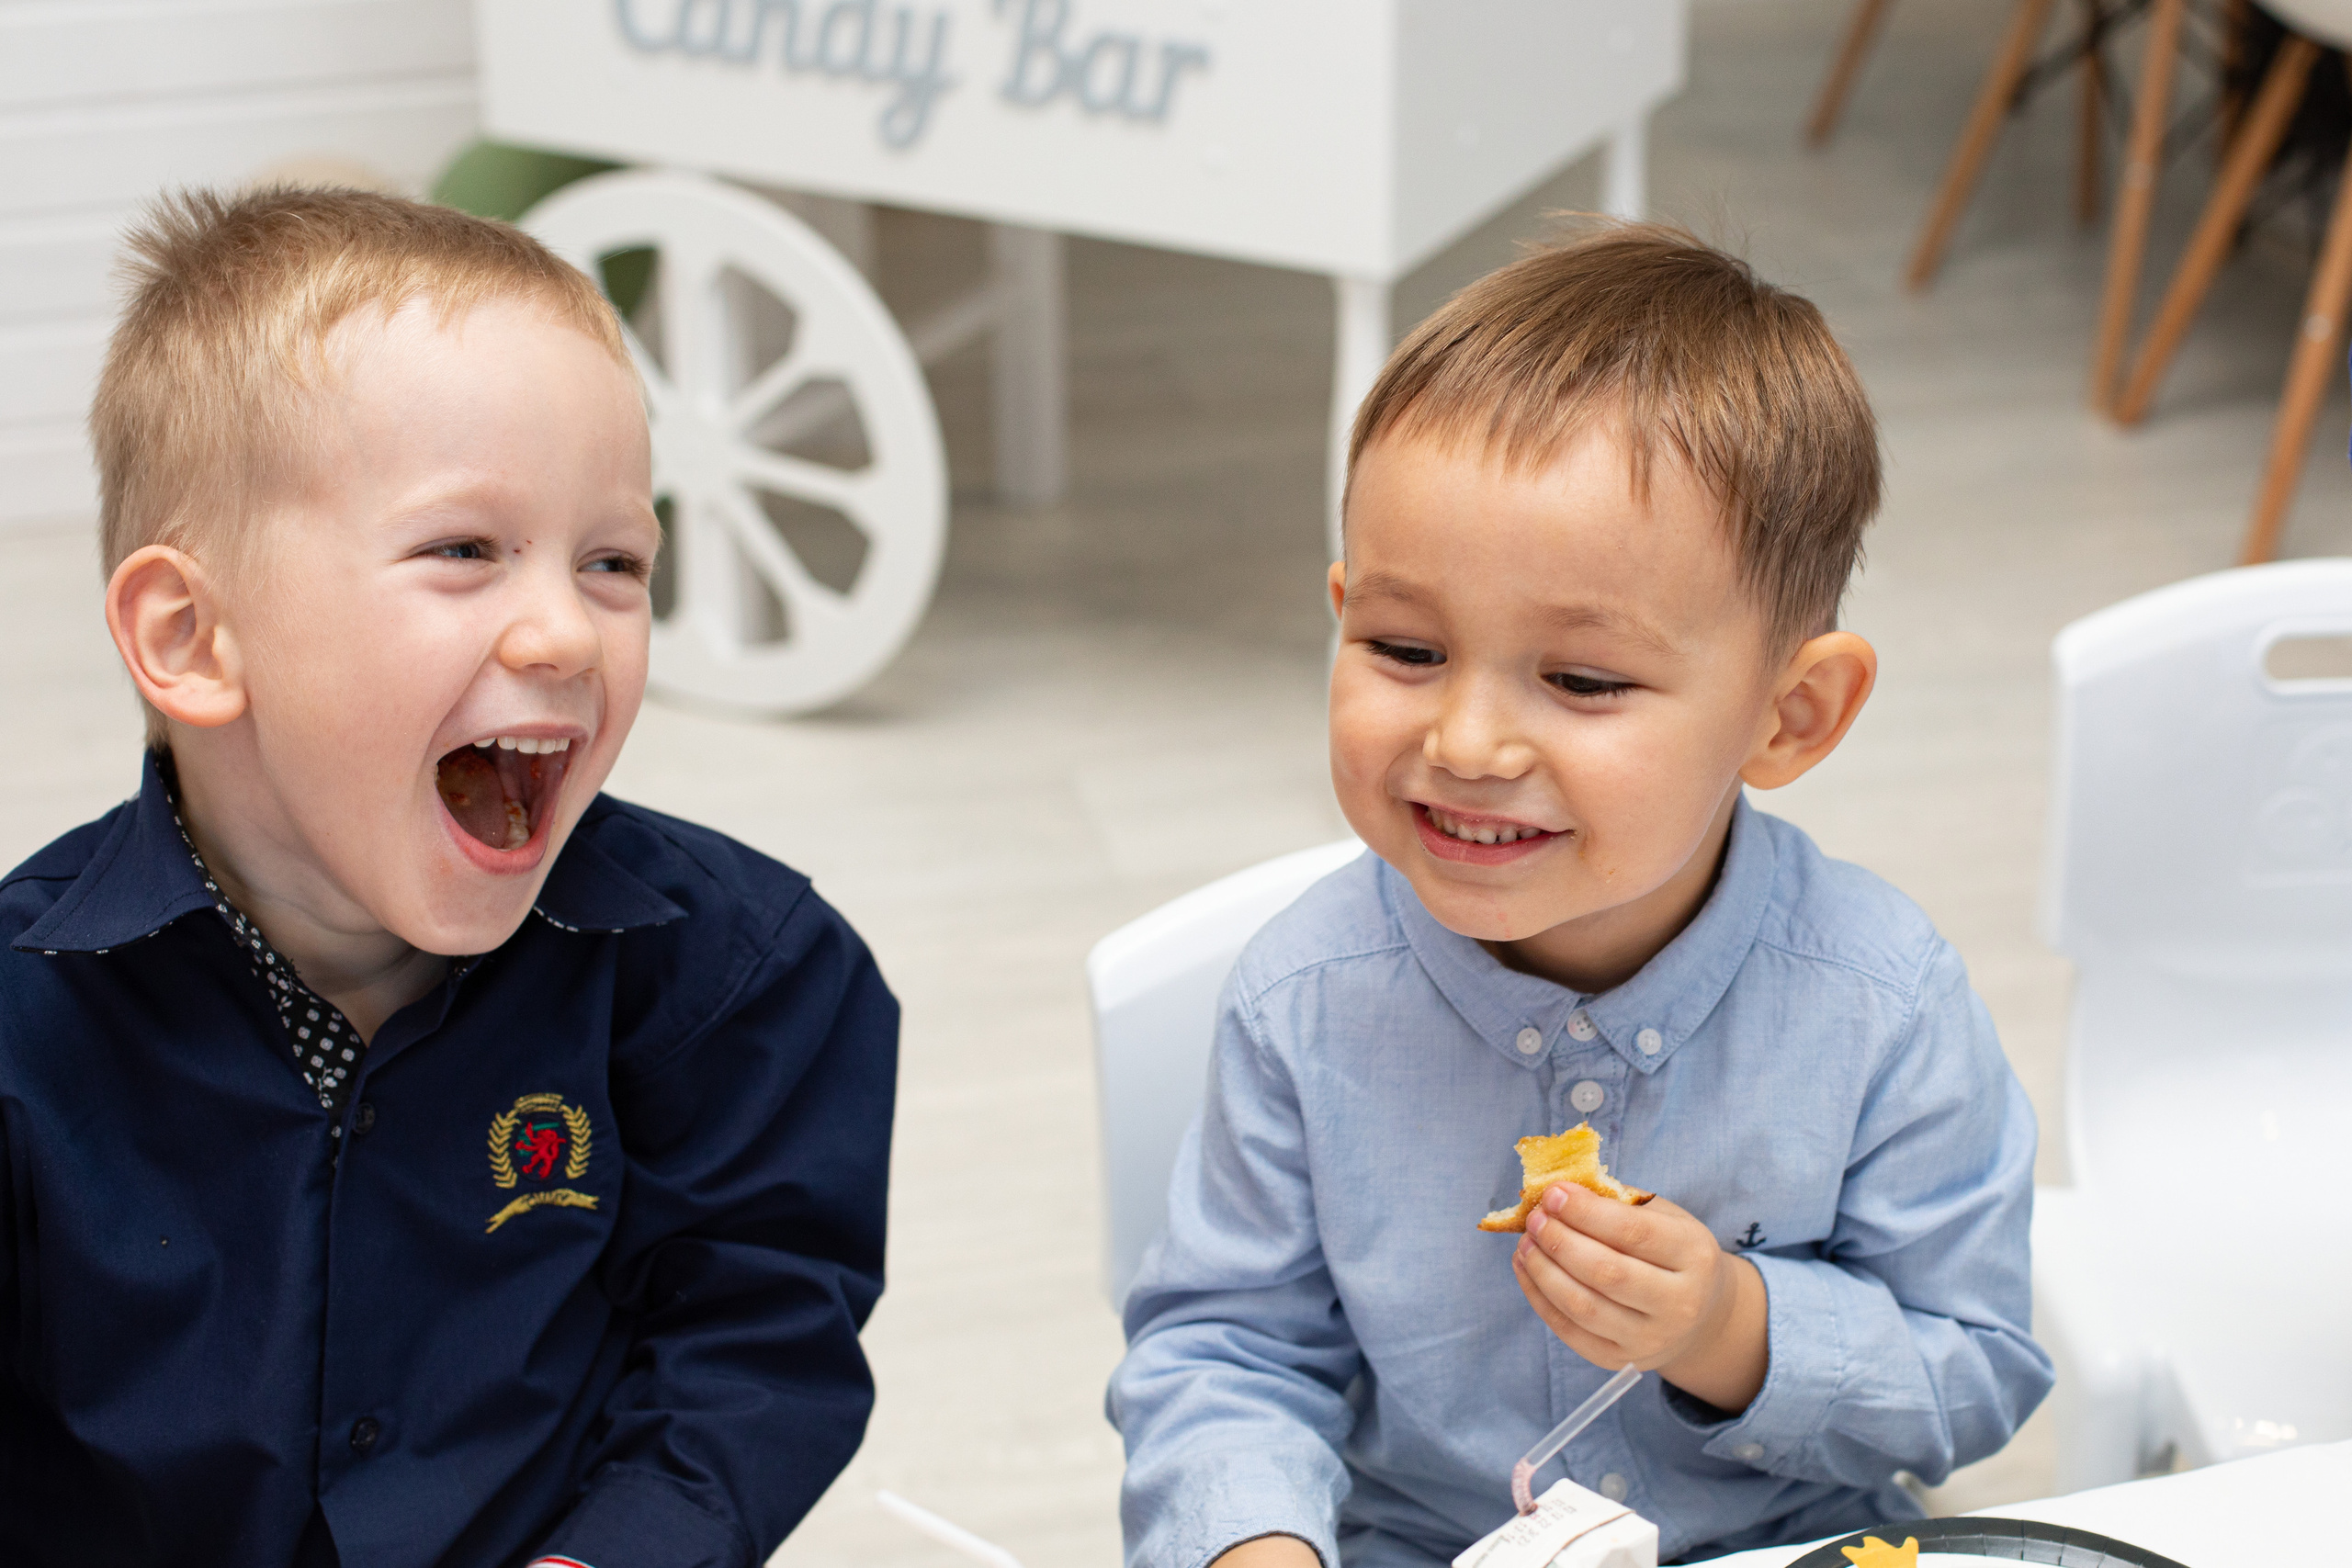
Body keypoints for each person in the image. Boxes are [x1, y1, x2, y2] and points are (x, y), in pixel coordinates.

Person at [1109, 225, 2052, 1567]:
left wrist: (1732, 1327)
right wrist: (1254, 1543)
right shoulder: (1302, 1003)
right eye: (1405, 648)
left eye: (1586, 681)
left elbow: (1976, 1371)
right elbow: (1228, 1351)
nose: (1470, 744)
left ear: (1791, 714)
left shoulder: (1881, 1004)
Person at [0, 187, 899, 1568]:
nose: (562, 633)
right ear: (191, 636)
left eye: (614, 562)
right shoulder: (23, 1032)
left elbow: (753, 1344)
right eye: (465, 550)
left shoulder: (748, 982)